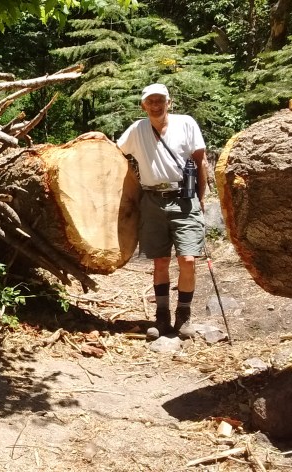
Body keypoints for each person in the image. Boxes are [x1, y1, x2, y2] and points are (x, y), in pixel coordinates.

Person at [115, 83, 208, 339]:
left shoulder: (186, 123)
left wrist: (201, 197)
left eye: (160, 101)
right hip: (152, 200)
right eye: (150, 101)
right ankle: (162, 318)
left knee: (188, 259)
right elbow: (116, 153)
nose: (156, 105)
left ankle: (184, 316)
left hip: (184, 199)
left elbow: (201, 161)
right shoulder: (137, 129)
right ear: (143, 105)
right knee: (160, 261)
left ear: (169, 102)